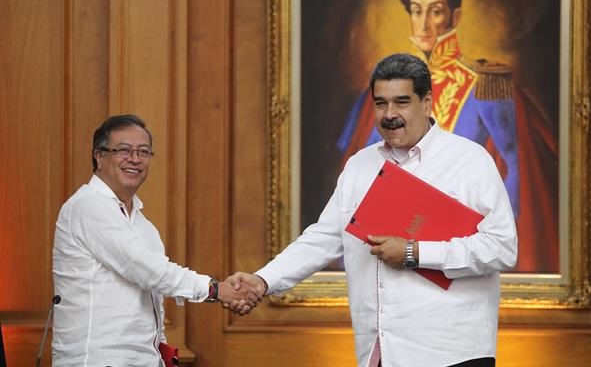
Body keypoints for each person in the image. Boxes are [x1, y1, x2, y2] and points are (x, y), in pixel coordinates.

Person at [227, 54, 517, 366]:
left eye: (402, 102)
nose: (390, 114)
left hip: (451, 353)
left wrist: (414, 252)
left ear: (427, 102)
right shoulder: (359, 166)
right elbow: (323, 239)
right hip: (379, 352)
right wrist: (263, 280)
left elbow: (501, 248)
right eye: (381, 103)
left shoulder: (470, 161)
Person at [336, 0, 557, 272]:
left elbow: (516, 173)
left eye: (435, 11)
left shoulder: (487, 85)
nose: (424, 24)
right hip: (386, 250)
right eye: (416, 11)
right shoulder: (380, 93)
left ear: (454, 17)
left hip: (458, 251)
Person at [52, 115, 259, 366]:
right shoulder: (87, 206)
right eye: (124, 150)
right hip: (97, 358)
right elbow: (147, 270)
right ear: (99, 155)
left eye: (144, 152)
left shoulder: (144, 227)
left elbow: (154, 295)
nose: (135, 159)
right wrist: (216, 290)